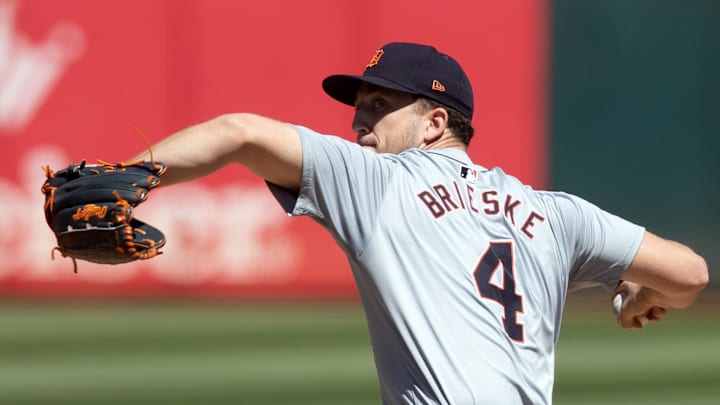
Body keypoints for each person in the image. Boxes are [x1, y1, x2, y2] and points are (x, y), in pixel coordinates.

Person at [131, 42, 708, 404]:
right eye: (359, 106)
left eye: (380, 106)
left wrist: (124, 177)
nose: (359, 121)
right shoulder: (555, 213)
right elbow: (691, 274)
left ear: (434, 122)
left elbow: (240, 132)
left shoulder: (379, 181)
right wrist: (637, 294)